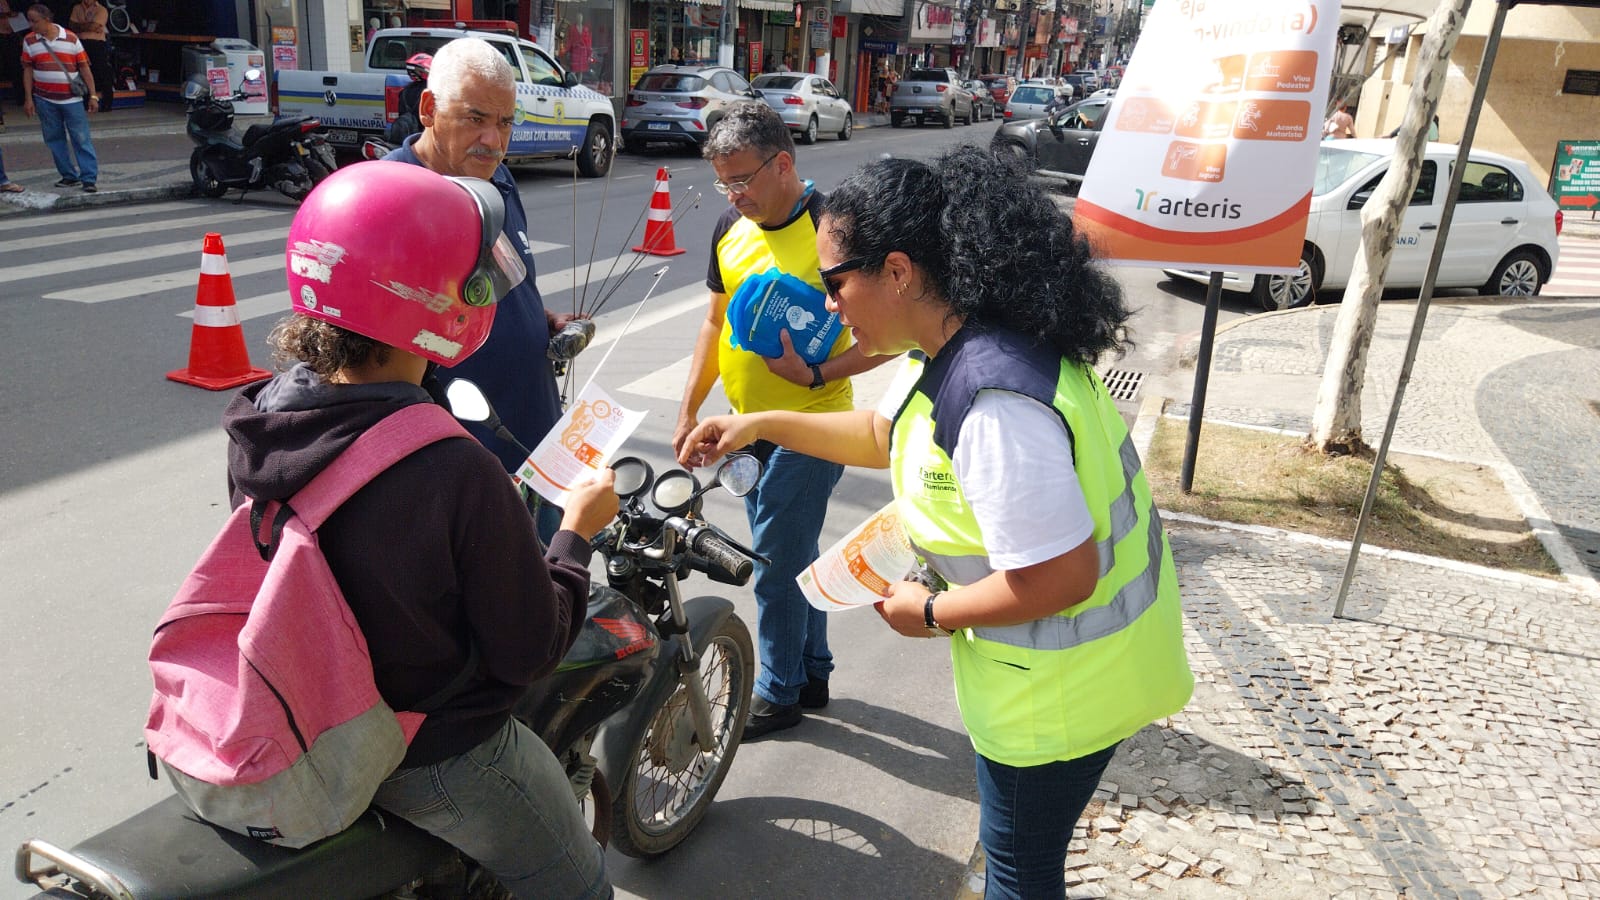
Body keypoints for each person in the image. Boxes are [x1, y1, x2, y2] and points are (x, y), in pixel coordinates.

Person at [677, 146, 1194, 898]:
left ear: (897, 271)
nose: (827, 305)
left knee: (1017, 870)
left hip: (1063, 693)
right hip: (1069, 677)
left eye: (833, 283)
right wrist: (757, 424)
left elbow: (1063, 574)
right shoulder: (955, 341)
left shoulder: (994, 403)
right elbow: (881, 436)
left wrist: (932, 610)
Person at [238, 160, 615, 899]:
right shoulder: (450, 466)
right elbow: (530, 648)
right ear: (442, 302)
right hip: (431, 750)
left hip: (308, 710)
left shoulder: (270, 414)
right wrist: (573, 534)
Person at [673, 102, 888, 740]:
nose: (734, 195)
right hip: (749, 427)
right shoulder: (727, 228)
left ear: (784, 163)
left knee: (772, 561)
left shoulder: (836, 227)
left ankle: (776, 691)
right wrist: (688, 411)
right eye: (723, 183)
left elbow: (881, 335)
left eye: (743, 179)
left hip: (812, 425)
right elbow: (714, 324)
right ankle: (812, 670)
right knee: (793, 555)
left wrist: (819, 375)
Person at [384, 38, 577, 539]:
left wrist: (537, 319)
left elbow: (506, 280)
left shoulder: (498, 179)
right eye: (475, 118)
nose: (493, 139)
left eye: (506, 122)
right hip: (462, 470)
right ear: (429, 109)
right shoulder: (388, 199)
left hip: (539, 438)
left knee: (558, 590)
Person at [21, 3, 98, 192]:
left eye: (35, 21)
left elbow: (84, 68)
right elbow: (28, 69)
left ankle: (89, 178)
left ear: (47, 19)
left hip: (71, 99)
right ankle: (68, 175)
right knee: (54, 138)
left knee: (81, 138)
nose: (32, 25)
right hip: (44, 99)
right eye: (30, 21)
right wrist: (28, 98)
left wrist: (93, 95)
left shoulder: (71, 38)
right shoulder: (29, 41)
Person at [67, 0, 109, 109]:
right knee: (82, 71)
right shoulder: (77, 8)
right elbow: (71, 25)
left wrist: (81, 25)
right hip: (80, 42)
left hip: (97, 44)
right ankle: (84, 100)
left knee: (100, 71)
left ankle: (104, 103)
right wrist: (88, 25)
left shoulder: (101, 9)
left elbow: (94, 26)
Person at [384, 51, 430, 144]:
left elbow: (401, 112)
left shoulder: (405, 90)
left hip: (404, 137)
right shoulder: (432, 90)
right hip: (422, 138)